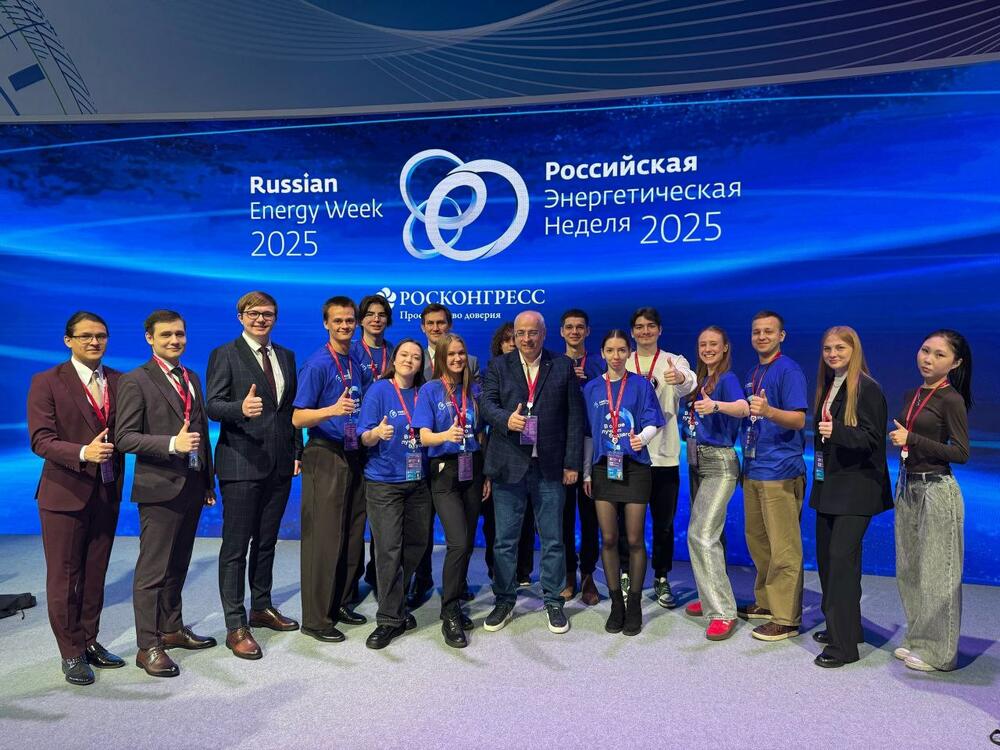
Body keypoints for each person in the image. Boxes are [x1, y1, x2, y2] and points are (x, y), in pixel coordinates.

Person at [116, 310, 217, 677]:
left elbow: (201, 432)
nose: (175, 340)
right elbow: (125, 437)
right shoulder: (135, 380)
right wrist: (172, 444)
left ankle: (172, 628)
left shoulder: (191, 377)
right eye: (166, 335)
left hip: (191, 485)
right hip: (158, 488)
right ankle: (148, 646)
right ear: (150, 338)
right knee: (153, 571)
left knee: (178, 564)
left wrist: (207, 482)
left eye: (180, 334)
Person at [27, 311, 126, 685]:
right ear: (68, 340)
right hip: (63, 494)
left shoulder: (119, 380)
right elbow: (41, 440)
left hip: (107, 491)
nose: (94, 342)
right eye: (86, 336)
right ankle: (70, 652)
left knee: (95, 574)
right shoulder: (47, 381)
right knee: (64, 578)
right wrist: (84, 452)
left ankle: (89, 641)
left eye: (101, 335)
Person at [206, 291, 303, 660]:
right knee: (235, 548)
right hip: (240, 463)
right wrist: (240, 408)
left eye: (268, 313)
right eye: (254, 313)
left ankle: (261, 607)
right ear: (240, 317)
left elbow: (290, 411)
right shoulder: (224, 353)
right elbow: (213, 406)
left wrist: (297, 451)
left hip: (279, 464)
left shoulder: (286, 356)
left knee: (266, 542)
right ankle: (236, 624)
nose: (261, 319)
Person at [480, 310, 583, 634]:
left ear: (544, 333)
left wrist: (572, 463)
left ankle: (553, 601)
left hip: (549, 467)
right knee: (505, 541)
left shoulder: (562, 366)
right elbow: (486, 404)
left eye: (533, 332)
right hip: (508, 466)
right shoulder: (499, 366)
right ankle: (504, 599)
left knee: (553, 540)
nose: (527, 338)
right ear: (515, 335)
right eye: (521, 333)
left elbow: (574, 418)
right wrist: (505, 420)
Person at [889, 329, 972, 672]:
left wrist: (913, 439)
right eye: (925, 350)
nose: (928, 359)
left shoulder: (951, 399)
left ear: (955, 363)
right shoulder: (913, 394)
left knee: (939, 573)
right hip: (908, 486)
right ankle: (919, 639)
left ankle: (940, 652)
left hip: (936, 489)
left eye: (939, 355)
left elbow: (961, 452)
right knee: (909, 570)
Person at [809, 326, 892, 667]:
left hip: (856, 490)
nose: (833, 354)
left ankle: (843, 647)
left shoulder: (868, 388)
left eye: (840, 348)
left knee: (841, 562)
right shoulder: (831, 384)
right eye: (827, 348)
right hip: (830, 487)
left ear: (854, 350)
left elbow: (873, 439)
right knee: (829, 561)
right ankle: (845, 628)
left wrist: (837, 432)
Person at [292, 296, 372, 643]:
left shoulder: (354, 359)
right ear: (326, 323)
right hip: (324, 454)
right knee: (323, 540)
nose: (344, 326)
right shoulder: (318, 363)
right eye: (337, 321)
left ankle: (338, 603)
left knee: (350, 536)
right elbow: (297, 417)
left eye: (349, 321)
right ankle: (315, 619)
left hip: (353, 452)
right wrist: (331, 410)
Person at [582, 330, 664, 636]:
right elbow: (588, 434)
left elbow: (654, 420)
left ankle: (635, 604)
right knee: (608, 538)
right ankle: (617, 603)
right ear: (602, 353)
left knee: (634, 539)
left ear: (629, 352)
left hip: (635, 468)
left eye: (621, 350)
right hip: (604, 469)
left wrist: (642, 437)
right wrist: (587, 472)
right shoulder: (592, 388)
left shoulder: (641, 385)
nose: (616, 356)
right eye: (610, 350)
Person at [358, 340, 432, 649]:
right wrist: (376, 434)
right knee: (389, 548)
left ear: (421, 364)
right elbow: (363, 436)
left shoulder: (425, 392)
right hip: (384, 482)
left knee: (416, 544)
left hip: (418, 481)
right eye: (404, 355)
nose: (409, 360)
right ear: (395, 359)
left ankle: (396, 601)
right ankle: (389, 619)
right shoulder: (379, 390)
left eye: (416, 357)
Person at [414, 333, 486, 648]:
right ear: (441, 358)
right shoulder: (430, 390)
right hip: (444, 471)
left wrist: (486, 474)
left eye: (461, 353)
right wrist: (445, 434)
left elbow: (481, 433)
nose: (457, 359)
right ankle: (450, 611)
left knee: (467, 543)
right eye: (451, 354)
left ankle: (454, 598)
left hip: (473, 468)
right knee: (457, 542)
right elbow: (423, 437)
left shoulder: (474, 390)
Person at [740, 310, 808, 642]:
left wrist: (768, 411)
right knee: (759, 541)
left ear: (782, 335)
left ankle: (786, 618)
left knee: (784, 547)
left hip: (780, 470)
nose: (762, 336)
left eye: (769, 331)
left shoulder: (789, 370)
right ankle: (767, 603)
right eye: (757, 332)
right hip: (755, 468)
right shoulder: (754, 372)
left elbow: (798, 419)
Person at [624, 306, 696, 607]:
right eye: (639, 326)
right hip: (630, 455)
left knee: (663, 524)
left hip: (664, 457)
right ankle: (626, 573)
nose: (645, 331)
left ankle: (661, 576)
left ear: (659, 330)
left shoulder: (673, 361)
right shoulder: (624, 361)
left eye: (650, 326)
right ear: (632, 332)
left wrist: (679, 378)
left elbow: (690, 382)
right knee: (627, 524)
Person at [681, 326, 747, 641]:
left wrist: (716, 406)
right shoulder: (700, 380)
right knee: (710, 535)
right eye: (702, 344)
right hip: (696, 461)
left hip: (720, 463)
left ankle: (722, 611)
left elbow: (744, 408)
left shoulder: (727, 379)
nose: (707, 349)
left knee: (701, 535)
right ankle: (710, 597)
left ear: (724, 348)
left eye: (713, 344)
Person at [481, 322, 537, 585]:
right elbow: (486, 409)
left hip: (531, 455)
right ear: (499, 344)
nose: (513, 344)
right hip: (499, 454)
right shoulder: (490, 372)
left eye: (516, 338)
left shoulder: (536, 371)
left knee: (526, 519)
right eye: (507, 340)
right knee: (495, 522)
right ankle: (498, 571)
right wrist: (506, 420)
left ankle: (523, 570)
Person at [351, 293, 395, 596]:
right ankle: (350, 581)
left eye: (381, 314)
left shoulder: (395, 352)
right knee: (356, 517)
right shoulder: (352, 351)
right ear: (360, 320)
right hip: (357, 439)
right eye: (370, 314)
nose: (376, 319)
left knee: (385, 519)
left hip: (388, 440)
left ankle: (379, 575)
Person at [559, 309, 604, 605]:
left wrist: (589, 381)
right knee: (563, 517)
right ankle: (567, 574)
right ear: (561, 332)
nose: (574, 332)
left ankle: (588, 574)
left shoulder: (600, 365)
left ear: (587, 331)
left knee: (590, 518)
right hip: (562, 450)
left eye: (580, 327)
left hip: (592, 448)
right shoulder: (553, 364)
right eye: (569, 327)